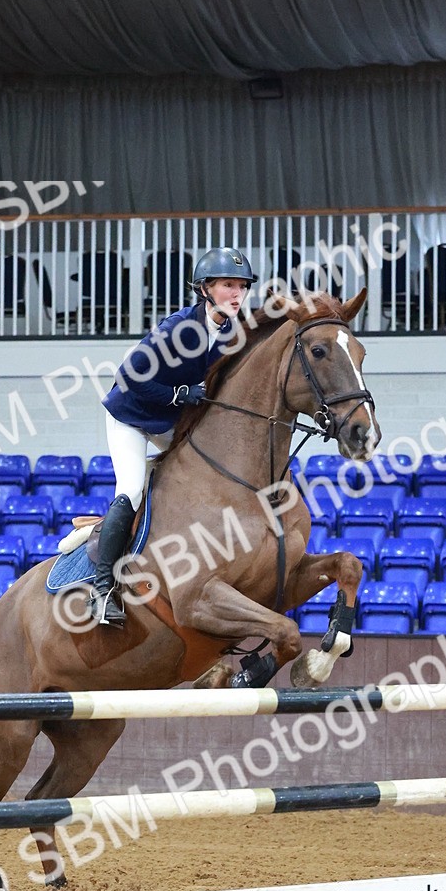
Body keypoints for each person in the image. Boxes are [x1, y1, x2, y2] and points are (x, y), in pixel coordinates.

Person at [92, 247, 258, 626]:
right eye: (227, 286)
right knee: (132, 488)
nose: (237, 294)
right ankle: (101, 592)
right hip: (131, 417)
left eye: (242, 287)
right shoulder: (179, 329)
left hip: (170, 422)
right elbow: (130, 377)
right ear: (205, 289)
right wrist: (178, 394)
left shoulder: (235, 333)